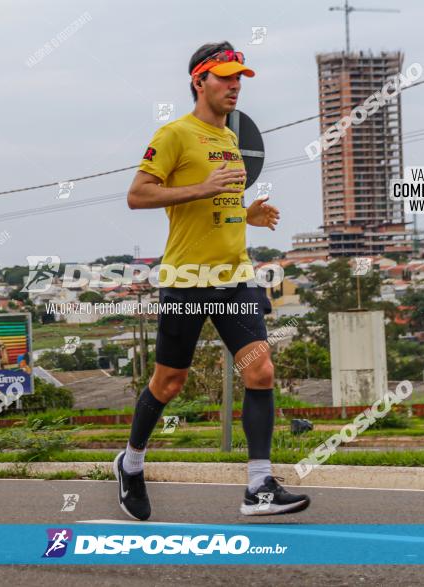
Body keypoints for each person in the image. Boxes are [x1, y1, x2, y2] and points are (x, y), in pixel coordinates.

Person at [113, 41, 310, 520]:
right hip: (186, 276)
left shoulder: (231, 141)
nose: (234, 85)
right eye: (224, 77)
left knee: (260, 371)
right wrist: (200, 188)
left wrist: (248, 214)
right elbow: (137, 196)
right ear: (199, 81)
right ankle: (131, 463)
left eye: (239, 77)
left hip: (236, 276)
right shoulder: (175, 134)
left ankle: (259, 485)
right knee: (169, 381)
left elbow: (215, 209)